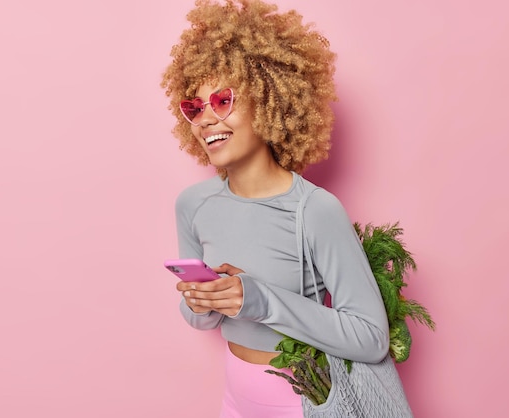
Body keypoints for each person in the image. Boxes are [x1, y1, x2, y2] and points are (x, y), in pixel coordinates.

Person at [161, 1, 402, 416]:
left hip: (303, 399)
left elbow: (371, 337)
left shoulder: (315, 210)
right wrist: (200, 303)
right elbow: (199, 320)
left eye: (222, 100)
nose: (205, 120)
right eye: (195, 108)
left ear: (271, 97)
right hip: (234, 397)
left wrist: (259, 299)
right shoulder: (193, 205)